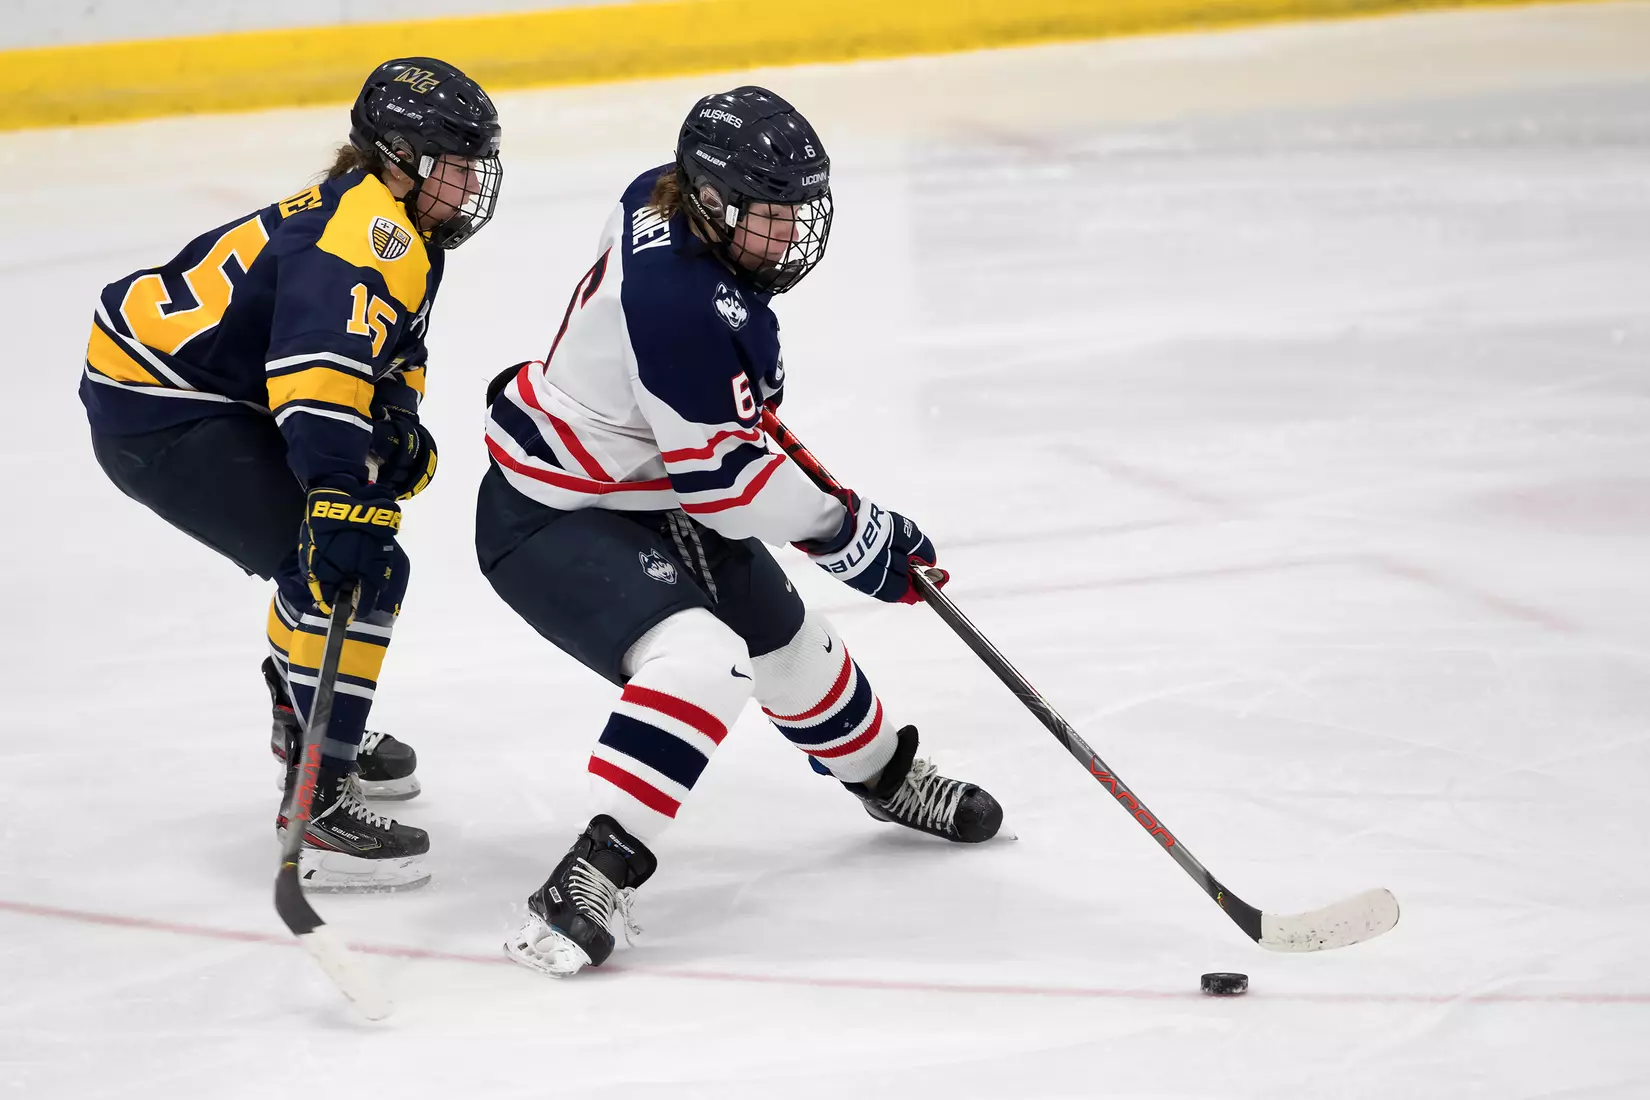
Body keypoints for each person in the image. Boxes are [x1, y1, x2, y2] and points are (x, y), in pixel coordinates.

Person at [477, 85, 1002, 977]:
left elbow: (707, 446)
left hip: (647, 486)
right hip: (553, 514)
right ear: (714, 201)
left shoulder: (661, 192)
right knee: (702, 662)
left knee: (792, 650)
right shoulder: (684, 307)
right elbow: (725, 489)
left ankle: (885, 779)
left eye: (800, 210)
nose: (791, 233)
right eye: (770, 214)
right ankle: (595, 872)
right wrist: (849, 531)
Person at [81, 57, 503, 891]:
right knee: (357, 566)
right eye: (455, 165)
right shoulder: (362, 233)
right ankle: (319, 797)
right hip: (160, 411)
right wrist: (340, 492)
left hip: (203, 391)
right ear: (397, 158)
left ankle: (308, 722)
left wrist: (395, 422)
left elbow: (386, 351)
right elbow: (314, 382)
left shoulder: (399, 225)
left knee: (335, 552)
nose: (470, 184)